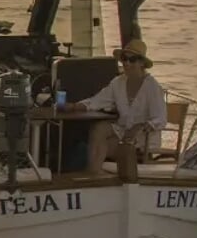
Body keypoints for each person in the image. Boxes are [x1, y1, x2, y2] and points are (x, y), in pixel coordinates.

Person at [63, 39, 166, 177]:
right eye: (124, 59)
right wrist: (74, 106)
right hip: (123, 133)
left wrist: (140, 127)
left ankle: (94, 174)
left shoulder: (152, 87)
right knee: (98, 128)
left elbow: (160, 118)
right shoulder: (118, 83)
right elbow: (98, 101)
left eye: (132, 60)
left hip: (143, 139)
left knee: (101, 146)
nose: (127, 63)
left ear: (141, 63)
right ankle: (95, 173)